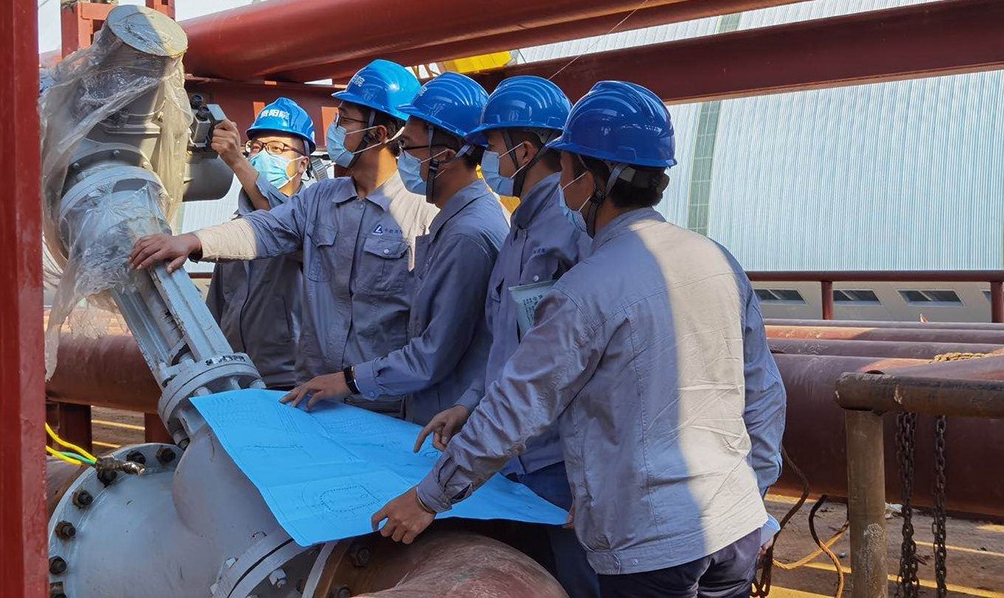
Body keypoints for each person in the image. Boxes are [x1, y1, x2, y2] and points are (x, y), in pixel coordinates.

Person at [371, 81, 786, 598]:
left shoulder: (589, 284)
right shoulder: (715, 258)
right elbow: (765, 391)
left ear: (593, 177)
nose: (562, 181)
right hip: (734, 527)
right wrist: (756, 491)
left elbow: (520, 404)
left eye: (567, 167)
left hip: (653, 542)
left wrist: (429, 498)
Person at [129, 59, 437, 415]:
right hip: (313, 396)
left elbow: (436, 329)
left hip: (384, 404)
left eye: (345, 119)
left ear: (379, 135)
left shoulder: (422, 214)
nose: (334, 129)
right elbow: (266, 228)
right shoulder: (322, 199)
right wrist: (193, 241)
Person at [415, 75, 597, 596]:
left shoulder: (570, 230)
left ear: (525, 148)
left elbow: (584, 360)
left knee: (578, 583)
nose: (489, 157)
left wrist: (589, 475)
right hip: (515, 458)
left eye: (494, 146)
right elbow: (508, 342)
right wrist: (471, 402)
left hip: (559, 462)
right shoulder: (519, 228)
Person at [284, 72, 510, 426]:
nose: (400, 157)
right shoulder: (455, 220)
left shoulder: (468, 235)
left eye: (409, 148)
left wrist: (348, 380)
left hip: (433, 418)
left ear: (445, 156)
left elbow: (432, 355)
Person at [204, 99, 314, 389]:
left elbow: (282, 224)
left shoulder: (316, 218)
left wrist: (237, 161)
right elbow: (216, 310)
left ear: (303, 163)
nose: (264, 155)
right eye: (256, 147)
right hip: (237, 377)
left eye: (277, 148)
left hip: (291, 381)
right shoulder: (237, 227)